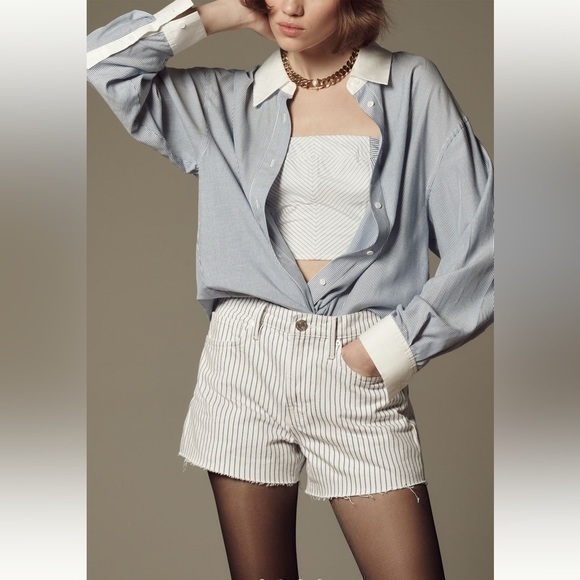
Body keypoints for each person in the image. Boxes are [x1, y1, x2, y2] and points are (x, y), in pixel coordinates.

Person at [87, 0, 493, 577]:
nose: (291, 5)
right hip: (243, 365)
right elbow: (104, 64)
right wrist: (216, 15)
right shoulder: (226, 101)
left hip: (356, 368)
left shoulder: (410, 87)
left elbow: (489, 244)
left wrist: (392, 347)